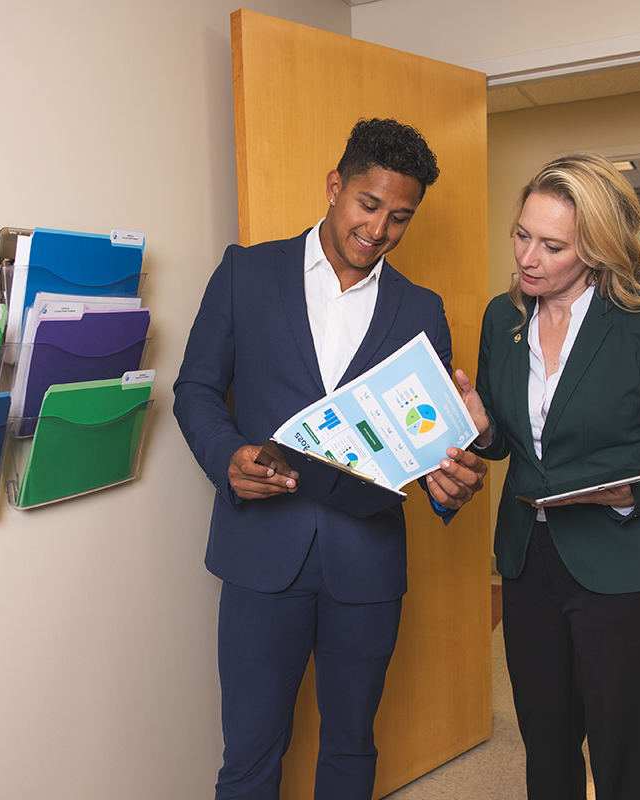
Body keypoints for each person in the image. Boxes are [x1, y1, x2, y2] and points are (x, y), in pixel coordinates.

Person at [173, 118, 487, 800]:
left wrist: (449, 487)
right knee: (251, 753)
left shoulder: (423, 311)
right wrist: (226, 456)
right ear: (334, 186)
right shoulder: (246, 272)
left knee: (351, 746)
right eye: (368, 205)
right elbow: (194, 387)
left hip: (367, 566)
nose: (378, 230)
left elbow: (426, 447)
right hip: (260, 555)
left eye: (399, 218)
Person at [454, 152, 640, 800]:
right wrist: (482, 429)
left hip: (625, 564)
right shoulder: (503, 319)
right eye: (521, 235)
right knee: (546, 744)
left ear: (596, 249)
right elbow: (511, 443)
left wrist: (636, 490)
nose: (527, 258)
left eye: (552, 245)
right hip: (528, 560)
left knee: (631, 758)